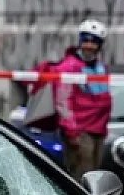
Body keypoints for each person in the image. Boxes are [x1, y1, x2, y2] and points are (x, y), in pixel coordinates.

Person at [30, 19, 112, 181]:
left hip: (98, 131)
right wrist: (72, 132)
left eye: (94, 41)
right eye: (85, 40)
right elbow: (63, 102)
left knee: (95, 177)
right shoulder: (69, 67)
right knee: (82, 178)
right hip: (80, 133)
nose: (89, 45)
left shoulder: (100, 68)